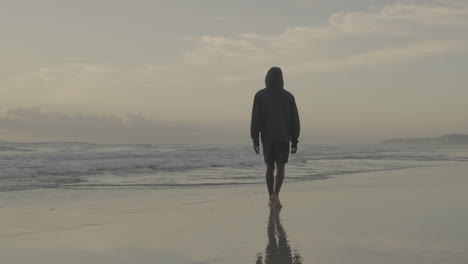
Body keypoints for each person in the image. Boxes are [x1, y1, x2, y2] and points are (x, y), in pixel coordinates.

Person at [250, 67, 300, 207]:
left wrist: (255, 138)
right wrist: (295, 140)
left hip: (267, 138)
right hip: (284, 138)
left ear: (267, 78)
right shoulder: (288, 96)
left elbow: (256, 118)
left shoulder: (260, 95)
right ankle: (276, 195)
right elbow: (295, 119)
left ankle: (270, 196)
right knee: (281, 167)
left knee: (269, 167)